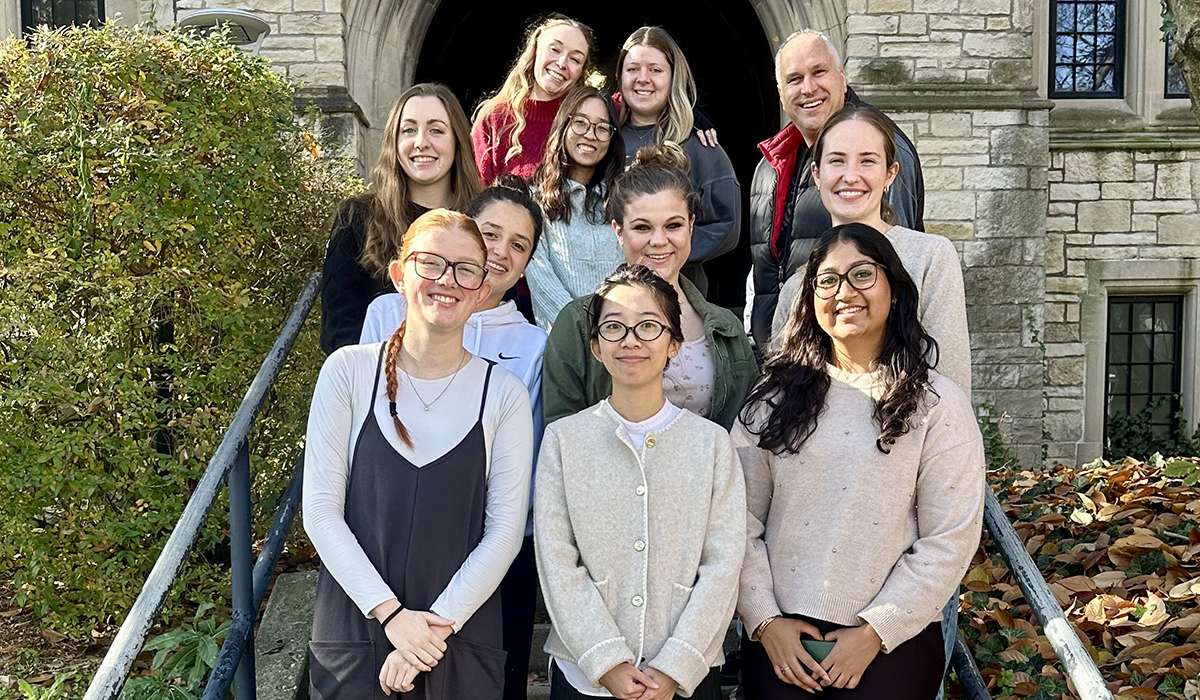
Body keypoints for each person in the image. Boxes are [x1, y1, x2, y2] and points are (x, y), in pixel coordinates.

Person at [735, 224, 984, 699]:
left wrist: (875, 632)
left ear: (894, 288)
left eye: (863, 275)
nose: (844, 292)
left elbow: (949, 537)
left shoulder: (937, 404)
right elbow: (737, 519)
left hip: (893, 643)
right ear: (809, 300)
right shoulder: (770, 402)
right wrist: (764, 620)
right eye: (827, 281)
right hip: (782, 643)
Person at [304, 209, 533, 699]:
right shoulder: (347, 373)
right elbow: (321, 513)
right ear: (399, 275)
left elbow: (505, 534)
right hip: (355, 632)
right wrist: (391, 615)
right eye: (430, 263)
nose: (446, 280)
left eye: (465, 269)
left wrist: (428, 634)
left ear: (479, 289)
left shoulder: (504, 394)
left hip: (458, 637)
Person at [358, 178, 548, 700]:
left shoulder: (534, 346)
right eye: (490, 234)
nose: (500, 253)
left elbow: (518, 462)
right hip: (388, 540)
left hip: (491, 547)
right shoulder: (385, 316)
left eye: (519, 245)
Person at [535, 264, 745, 700]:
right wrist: (605, 659)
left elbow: (723, 564)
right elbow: (556, 561)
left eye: (649, 326)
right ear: (595, 346)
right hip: (585, 675)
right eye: (614, 327)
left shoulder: (711, 444)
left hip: (687, 674)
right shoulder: (563, 440)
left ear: (674, 343)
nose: (631, 340)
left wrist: (676, 664)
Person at [542, 145, 756, 431]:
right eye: (642, 227)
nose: (658, 240)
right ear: (618, 231)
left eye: (673, 225)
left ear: (691, 226)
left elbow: (747, 430)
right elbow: (561, 433)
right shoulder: (579, 321)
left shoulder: (727, 328)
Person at [771, 103, 971, 396]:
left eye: (867, 161)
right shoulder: (797, 288)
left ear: (890, 174)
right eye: (837, 161)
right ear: (816, 173)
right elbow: (781, 396)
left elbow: (950, 385)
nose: (851, 176)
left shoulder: (929, 259)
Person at [746, 29, 925, 347]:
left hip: (851, 361)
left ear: (841, 78)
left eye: (818, 72)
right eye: (794, 79)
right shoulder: (768, 167)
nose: (808, 88)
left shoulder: (883, 152)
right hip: (784, 359)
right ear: (780, 92)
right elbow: (765, 274)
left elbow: (900, 271)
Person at [321, 83, 481, 354]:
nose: (421, 142)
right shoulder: (358, 218)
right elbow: (340, 330)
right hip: (377, 382)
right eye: (408, 130)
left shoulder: (480, 222)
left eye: (436, 130)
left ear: (457, 141)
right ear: (393, 142)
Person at [616, 26, 740, 295]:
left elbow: (727, 225)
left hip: (677, 296)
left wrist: (666, 250)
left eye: (656, 70)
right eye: (633, 69)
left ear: (673, 77)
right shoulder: (603, 140)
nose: (643, 79)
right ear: (620, 76)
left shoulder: (698, 145)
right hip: (607, 294)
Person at [525, 85, 626, 330]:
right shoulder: (534, 199)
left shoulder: (623, 199)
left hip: (621, 337)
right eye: (580, 122)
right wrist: (585, 328)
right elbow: (540, 278)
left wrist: (614, 329)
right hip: (562, 341)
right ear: (564, 126)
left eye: (602, 128)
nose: (590, 134)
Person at [472, 15, 595, 185]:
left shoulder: (586, 125)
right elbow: (476, 196)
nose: (561, 63)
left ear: (581, 72)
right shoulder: (493, 118)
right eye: (554, 49)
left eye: (575, 59)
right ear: (536, 50)